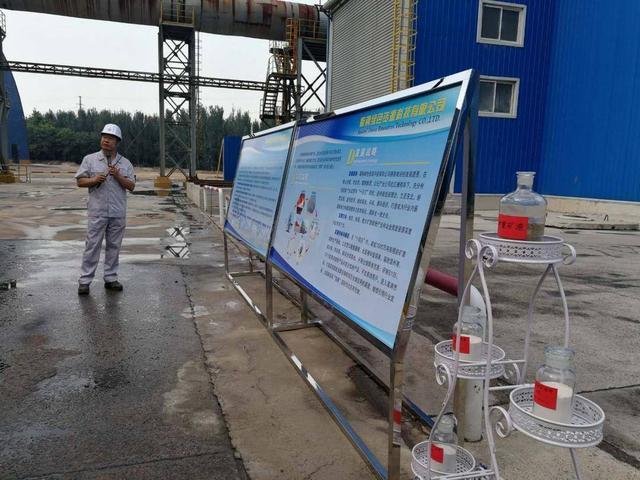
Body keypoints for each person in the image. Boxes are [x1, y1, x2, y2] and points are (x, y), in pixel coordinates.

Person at [75, 124, 135, 295]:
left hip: (117, 212)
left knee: (114, 246)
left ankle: (110, 278)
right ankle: (85, 281)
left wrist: (118, 176)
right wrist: (94, 180)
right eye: (104, 137)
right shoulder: (90, 159)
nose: (106, 141)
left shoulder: (125, 163)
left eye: (110, 138)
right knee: (92, 245)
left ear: (117, 142)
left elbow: (131, 186)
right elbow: (80, 181)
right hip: (97, 211)